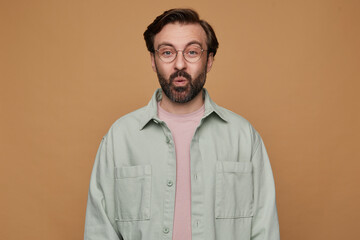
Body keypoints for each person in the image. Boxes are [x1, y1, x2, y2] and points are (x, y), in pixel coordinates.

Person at [84, 8, 280, 240]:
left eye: (192, 52)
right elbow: (100, 230)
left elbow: (264, 229)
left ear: (209, 60)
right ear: (153, 60)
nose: (179, 64)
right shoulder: (120, 138)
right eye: (167, 52)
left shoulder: (244, 137)